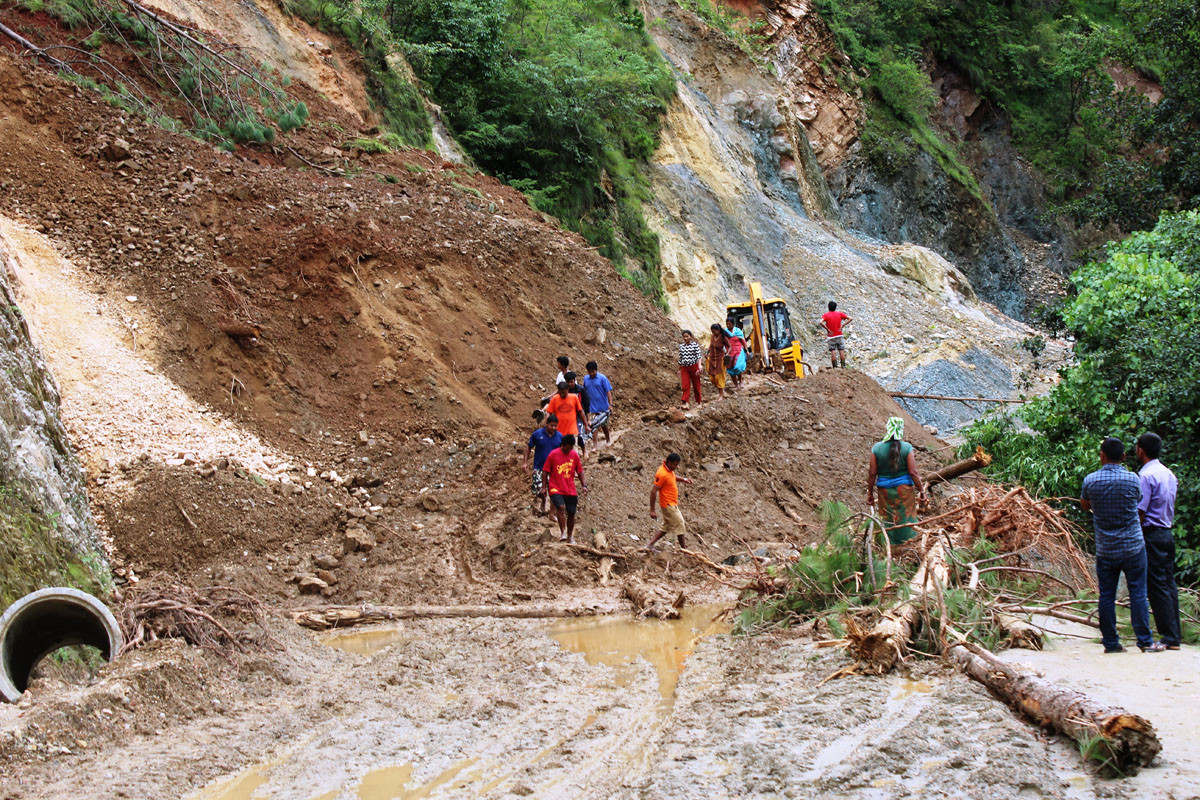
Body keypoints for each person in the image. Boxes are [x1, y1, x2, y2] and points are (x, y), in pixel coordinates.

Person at [1081, 437, 1162, 653]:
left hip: (1106, 548)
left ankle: (1111, 643)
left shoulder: (1090, 480)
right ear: (1124, 456)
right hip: (1133, 546)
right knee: (1138, 593)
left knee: (1106, 595)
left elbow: (1084, 504)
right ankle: (1145, 641)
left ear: (1102, 456)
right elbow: (1138, 500)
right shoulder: (1133, 479)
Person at [1136, 432, 1181, 650]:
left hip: (1152, 533)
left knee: (1156, 585)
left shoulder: (1145, 476)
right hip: (1167, 532)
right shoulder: (1169, 474)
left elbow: (1141, 511)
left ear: (1140, 450)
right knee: (1168, 583)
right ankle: (1175, 634)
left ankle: (1168, 637)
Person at [866, 417, 927, 545]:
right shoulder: (907, 448)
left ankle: (890, 546)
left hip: (884, 492)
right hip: (904, 491)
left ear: (888, 428)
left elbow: (872, 473)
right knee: (907, 517)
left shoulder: (876, 449)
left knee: (888, 517)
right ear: (901, 430)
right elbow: (913, 473)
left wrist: (870, 493)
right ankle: (910, 543)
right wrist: (922, 491)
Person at [543, 434, 586, 542]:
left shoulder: (574, 455)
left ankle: (570, 535)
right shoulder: (553, 455)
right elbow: (545, 471)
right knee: (561, 507)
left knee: (571, 513)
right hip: (555, 487)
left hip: (570, 489)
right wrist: (544, 487)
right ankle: (563, 532)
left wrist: (584, 485)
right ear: (563, 445)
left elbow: (580, 471)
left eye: (571, 448)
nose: (569, 450)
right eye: (568, 447)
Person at [646, 453, 693, 551]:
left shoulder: (669, 471)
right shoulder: (662, 474)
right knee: (680, 523)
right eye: (675, 465)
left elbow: (672, 477)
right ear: (669, 462)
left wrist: (684, 480)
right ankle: (684, 549)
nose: (676, 467)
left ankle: (649, 545)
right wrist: (652, 510)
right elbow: (653, 491)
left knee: (666, 527)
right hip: (668, 505)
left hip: (672, 503)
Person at [523, 412, 562, 516]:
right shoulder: (537, 434)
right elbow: (528, 447)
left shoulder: (560, 437)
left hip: (554, 469)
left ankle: (552, 512)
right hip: (539, 467)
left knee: (554, 491)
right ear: (546, 424)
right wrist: (525, 463)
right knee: (539, 489)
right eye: (551, 425)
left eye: (555, 426)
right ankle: (543, 501)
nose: (553, 428)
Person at [544, 382, 590, 454]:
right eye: (560, 393)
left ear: (568, 389)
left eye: (564, 393)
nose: (562, 395)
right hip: (558, 432)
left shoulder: (574, 397)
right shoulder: (554, 399)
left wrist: (586, 425)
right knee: (559, 453)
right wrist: (548, 423)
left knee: (573, 452)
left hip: (572, 431)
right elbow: (548, 412)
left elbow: (580, 412)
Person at [583, 361, 614, 444]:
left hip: (603, 407)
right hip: (592, 407)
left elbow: (608, 391)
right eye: (589, 372)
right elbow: (584, 391)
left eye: (593, 371)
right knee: (594, 427)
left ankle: (608, 440)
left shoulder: (602, 378)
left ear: (596, 370)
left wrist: (610, 404)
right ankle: (595, 446)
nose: (591, 373)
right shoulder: (586, 379)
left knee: (604, 426)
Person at [564, 371, 591, 458]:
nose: (570, 384)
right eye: (568, 382)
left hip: (579, 416)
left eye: (571, 382)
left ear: (575, 380)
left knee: (578, 434)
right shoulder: (565, 391)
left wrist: (588, 419)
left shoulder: (580, 390)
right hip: (568, 417)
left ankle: (584, 450)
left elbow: (586, 405)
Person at [820, 301, 852, 369]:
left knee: (833, 351)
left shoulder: (826, 315)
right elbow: (850, 318)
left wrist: (827, 329)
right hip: (839, 335)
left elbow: (821, 322)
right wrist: (843, 325)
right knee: (841, 350)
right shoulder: (839, 314)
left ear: (828, 307)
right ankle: (843, 366)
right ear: (835, 307)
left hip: (831, 336)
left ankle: (835, 367)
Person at [678, 330, 703, 408]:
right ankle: (686, 402)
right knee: (685, 385)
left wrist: (699, 366)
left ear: (690, 336)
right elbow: (680, 358)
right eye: (684, 337)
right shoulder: (681, 346)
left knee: (696, 384)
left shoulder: (695, 345)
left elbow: (699, 356)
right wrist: (679, 369)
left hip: (694, 367)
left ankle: (699, 402)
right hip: (684, 368)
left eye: (687, 336)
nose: (685, 338)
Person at [723, 318, 747, 389]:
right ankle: (736, 384)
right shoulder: (725, 332)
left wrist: (746, 349)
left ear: (733, 324)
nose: (728, 325)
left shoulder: (738, 331)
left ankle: (740, 381)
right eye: (727, 324)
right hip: (729, 352)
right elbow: (723, 342)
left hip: (738, 351)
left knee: (738, 366)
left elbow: (742, 340)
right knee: (731, 369)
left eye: (729, 324)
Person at [706, 325, 728, 400]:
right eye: (712, 331)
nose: (713, 333)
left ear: (718, 330)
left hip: (720, 359)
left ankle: (721, 394)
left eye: (715, 331)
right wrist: (707, 352)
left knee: (719, 377)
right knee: (712, 378)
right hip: (712, 358)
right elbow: (711, 346)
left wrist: (727, 354)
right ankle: (721, 390)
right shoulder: (712, 336)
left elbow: (729, 346)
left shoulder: (723, 337)